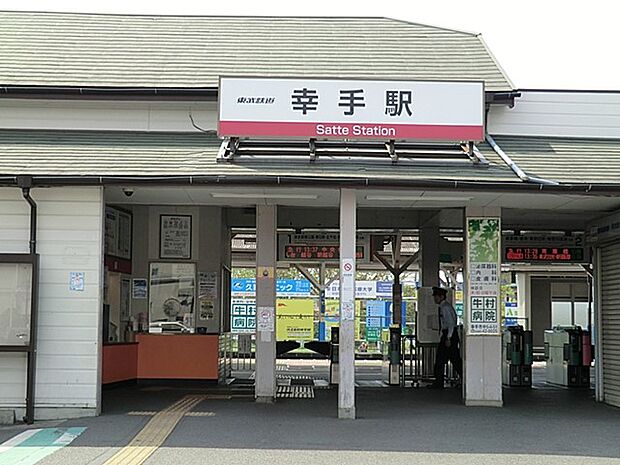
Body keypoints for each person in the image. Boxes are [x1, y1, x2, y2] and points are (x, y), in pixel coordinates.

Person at [428, 286, 463, 389]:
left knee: (442, 359)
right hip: (449, 334)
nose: (435, 299)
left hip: (449, 335)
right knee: (453, 359)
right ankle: (463, 379)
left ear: (441, 296)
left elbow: (451, 324)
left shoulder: (446, 308)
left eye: (436, 297)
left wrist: (448, 337)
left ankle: (439, 383)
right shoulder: (444, 307)